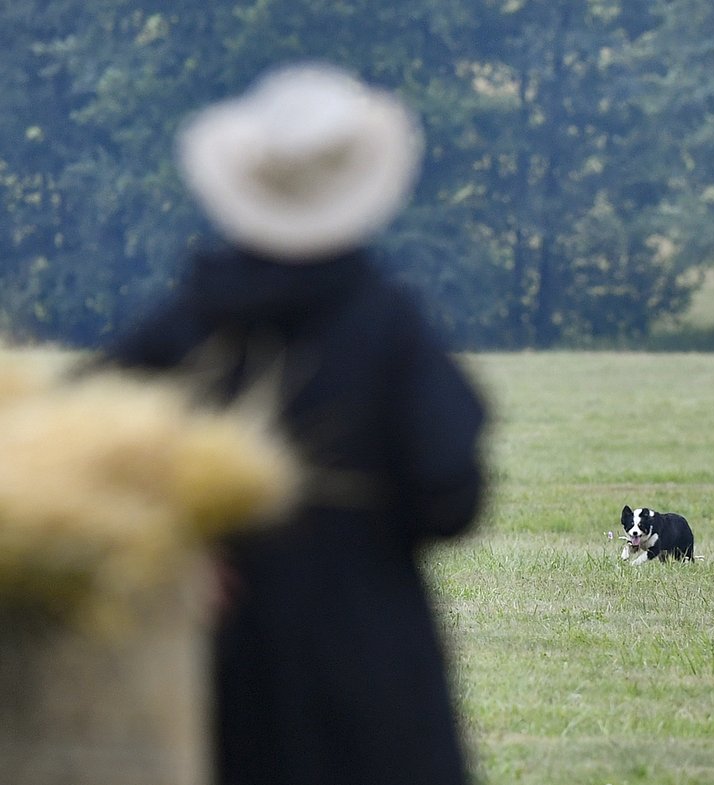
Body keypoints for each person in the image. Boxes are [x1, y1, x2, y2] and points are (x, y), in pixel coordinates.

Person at [102, 63, 487, 785]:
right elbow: (451, 498)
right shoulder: (387, 326)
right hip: (370, 664)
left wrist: (175, 550)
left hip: (215, 664)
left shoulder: (185, 325)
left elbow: (67, 452)